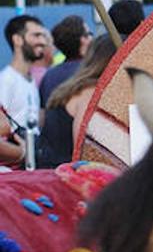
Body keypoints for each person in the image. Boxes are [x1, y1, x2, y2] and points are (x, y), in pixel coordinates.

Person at [35, 35, 115, 169]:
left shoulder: (73, 87)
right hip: (66, 178)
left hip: (49, 172)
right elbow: (83, 148)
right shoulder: (91, 93)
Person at [1, 15, 50, 134]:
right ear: (17, 39)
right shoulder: (6, 80)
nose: (43, 42)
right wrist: (20, 151)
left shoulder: (30, 79)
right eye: (36, 35)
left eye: (43, 36)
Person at [39, 15, 91, 107]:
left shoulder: (49, 76)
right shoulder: (90, 73)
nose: (91, 38)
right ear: (82, 40)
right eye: (89, 34)